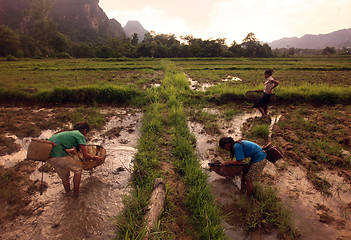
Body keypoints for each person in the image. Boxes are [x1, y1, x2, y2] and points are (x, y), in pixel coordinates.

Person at [47, 122, 101, 196]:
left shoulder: (68, 133)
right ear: (84, 130)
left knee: (65, 176)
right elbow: (85, 155)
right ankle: (76, 194)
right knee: (78, 169)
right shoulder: (80, 135)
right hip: (59, 155)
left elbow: (57, 145)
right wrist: (94, 158)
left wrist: (70, 151)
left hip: (49, 157)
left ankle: (68, 193)